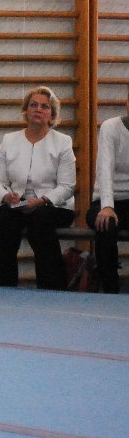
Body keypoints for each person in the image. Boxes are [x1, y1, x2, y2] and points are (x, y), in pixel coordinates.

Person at [0, 86, 76, 290]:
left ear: (52, 114)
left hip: (53, 206)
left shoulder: (63, 142)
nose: (38, 109)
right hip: (18, 205)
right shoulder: (9, 140)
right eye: (33, 105)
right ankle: (5, 286)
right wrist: (6, 197)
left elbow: (67, 187)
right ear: (26, 110)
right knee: (0, 223)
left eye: (45, 107)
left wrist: (42, 201)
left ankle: (51, 289)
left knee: (40, 221)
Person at [85, 89, 129, 293]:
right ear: (127, 104)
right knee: (105, 224)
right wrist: (107, 206)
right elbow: (105, 168)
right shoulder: (111, 127)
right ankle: (110, 288)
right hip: (106, 199)